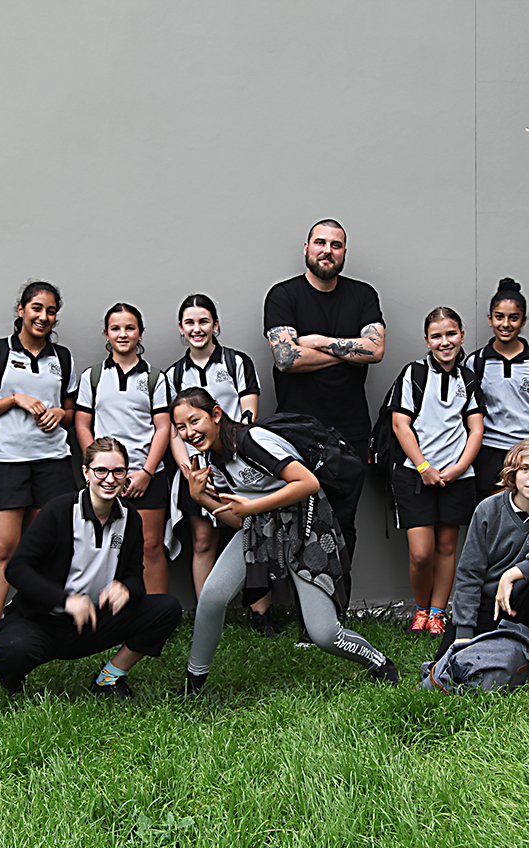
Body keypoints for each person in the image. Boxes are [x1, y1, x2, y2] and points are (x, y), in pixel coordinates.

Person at [171, 388, 399, 693]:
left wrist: (253, 506)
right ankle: (193, 685)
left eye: (194, 421)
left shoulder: (250, 440)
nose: (188, 432)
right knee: (212, 596)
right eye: (180, 427)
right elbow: (239, 520)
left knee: (324, 634)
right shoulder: (214, 457)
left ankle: (381, 664)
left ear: (215, 414)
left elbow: (308, 483)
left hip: (305, 526)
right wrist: (200, 497)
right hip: (260, 528)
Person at [0, 437, 182, 698]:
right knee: (12, 651)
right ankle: (13, 682)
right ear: (86, 472)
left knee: (167, 608)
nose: (109, 479)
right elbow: (17, 569)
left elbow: (134, 577)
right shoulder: (59, 511)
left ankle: (109, 679)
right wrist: (66, 601)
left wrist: (127, 589)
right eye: (101, 470)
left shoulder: (131, 518)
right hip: (44, 620)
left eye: (118, 471)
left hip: (94, 620)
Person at [0, 281, 78, 670]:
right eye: (36, 308)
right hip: (7, 461)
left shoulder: (61, 357)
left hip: (53, 462)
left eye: (50, 311)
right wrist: (15, 399)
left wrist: (60, 414)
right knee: (2, 549)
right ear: (20, 309)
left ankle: (34, 625)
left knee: (47, 550)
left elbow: (72, 409)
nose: (43, 317)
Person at [263, 219, 385, 570]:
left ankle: (337, 605)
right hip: (296, 429)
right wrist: (347, 352)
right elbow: (286, 359)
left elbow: (375, 351)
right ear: (306, 248)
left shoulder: (362, 295)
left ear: (344, 252)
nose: (327, 250)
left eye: (335, 244)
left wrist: (316, 342)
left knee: (344, 521)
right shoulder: (283, 295)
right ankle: (306, 608)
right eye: (320, 242)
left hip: (351, 431)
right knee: (300, 521)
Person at [162, 294, 272, 635]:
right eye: (190, 323)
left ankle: (261, 614)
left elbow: (248, 417)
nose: (198, 329)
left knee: (252, 536)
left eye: (204, 321)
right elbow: (173, 431)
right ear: (181, 328)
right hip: (196, 468)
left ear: (216, 325)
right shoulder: (172, 374)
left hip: (236, 464)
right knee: (203, 541)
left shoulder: (238, 362)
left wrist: (233, 460)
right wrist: (190, 469)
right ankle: (207, 615)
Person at [439, 439, 529, 685]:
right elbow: (469, 574)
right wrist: (463, 633)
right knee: (448, 671)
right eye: (524, 469)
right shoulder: (488, 509)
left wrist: (514, 573)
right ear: (512, 474)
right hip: (492, 603)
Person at [389, 307, 485, 638]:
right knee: (421, 553)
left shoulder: (468, 378)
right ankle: (420, 608)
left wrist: (459, 468)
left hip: (457, 477)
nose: (445, 342)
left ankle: (438, 612)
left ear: (462, 335)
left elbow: (475, 429)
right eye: (437, 336)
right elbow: (400, 423)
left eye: (451, 334)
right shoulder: (413, 373)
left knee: (446, 546)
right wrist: (424, 467)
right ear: (427, 340)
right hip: (416, 476)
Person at [75, 303, 172, 594]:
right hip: (106, 477)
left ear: (140, 333)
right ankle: (106, 615)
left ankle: (156, 617)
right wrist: (99, 470)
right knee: (105, 546)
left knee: (150, 546)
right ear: (106, 333)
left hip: (146, 475)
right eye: (116, 328)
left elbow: (163, 427)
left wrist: (146, 472)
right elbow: (82, 425)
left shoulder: (155, 377)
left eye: (130, 328)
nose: (123, 334)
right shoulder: (92, 377)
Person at [465, 278, 529, 496]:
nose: (505, 324)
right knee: (494, 519)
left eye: (513, 318)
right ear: (490, 318)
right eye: (499, 317)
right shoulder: (476, 362)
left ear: (523, 320)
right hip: (490, 449)